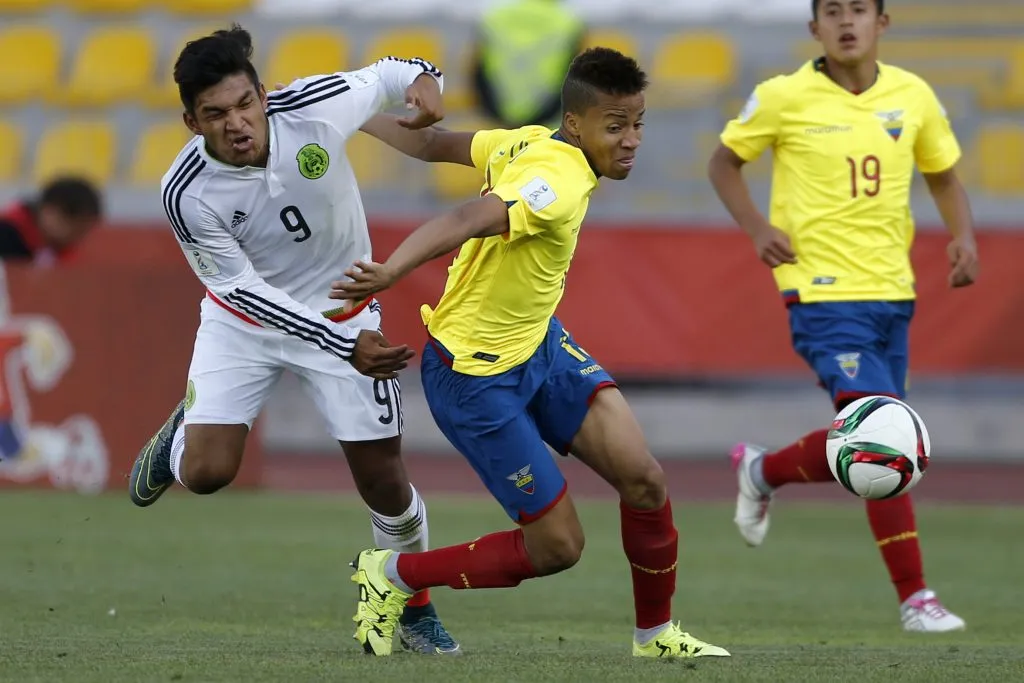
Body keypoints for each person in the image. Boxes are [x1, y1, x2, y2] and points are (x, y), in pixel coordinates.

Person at [332, 47, 730, 660]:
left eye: (638, 123)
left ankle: (654, 636)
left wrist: (344, 114)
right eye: (615, 125)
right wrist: (391, 271)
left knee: (644, 480)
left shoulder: (522, 143)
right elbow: (468, 216)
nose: (631, 140)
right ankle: (393, 577)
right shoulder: (558, 181)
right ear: (575, 124)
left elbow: (432, 144)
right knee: (557, 548)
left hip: (539, 345)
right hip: (475, 376)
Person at [126, 25, 462, 655]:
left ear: (262, 92)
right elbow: (242, 291)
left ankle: (413, 608)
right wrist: (341, 346)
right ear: (191, 123)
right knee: (205, 474)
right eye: (216, 114)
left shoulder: (312, 104)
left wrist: (425, 82)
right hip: (245, 324)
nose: (237, 123)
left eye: (244, 104)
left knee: (384, 480)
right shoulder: (185, 192)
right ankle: (181, 438)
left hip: (344, 306)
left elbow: (393, 70)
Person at [707, 0, 976, 632]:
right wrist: (756, 228)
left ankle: (762, 469)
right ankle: (916, 599)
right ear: (814, 28)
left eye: (859, 9)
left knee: (880, 433)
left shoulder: (913, 95)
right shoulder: (782, 96)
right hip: (822, 292)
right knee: (884, 433)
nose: (846, 21)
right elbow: (724, 162)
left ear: (882, 23)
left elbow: (943, 176)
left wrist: (962, 236)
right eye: (833, 11)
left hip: (893, 291)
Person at [472, 0, 584, 128]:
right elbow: (574, 77)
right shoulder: (569, 23)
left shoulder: (494, 16)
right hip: (547, 125)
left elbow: (477, 70)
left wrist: (493, 114)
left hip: (496, 123)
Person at [0, 177, 102, 265]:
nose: (78, 238)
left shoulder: (60, 250)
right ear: (50, 211)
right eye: (77, 229)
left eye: (83, 232)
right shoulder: (7, 235)